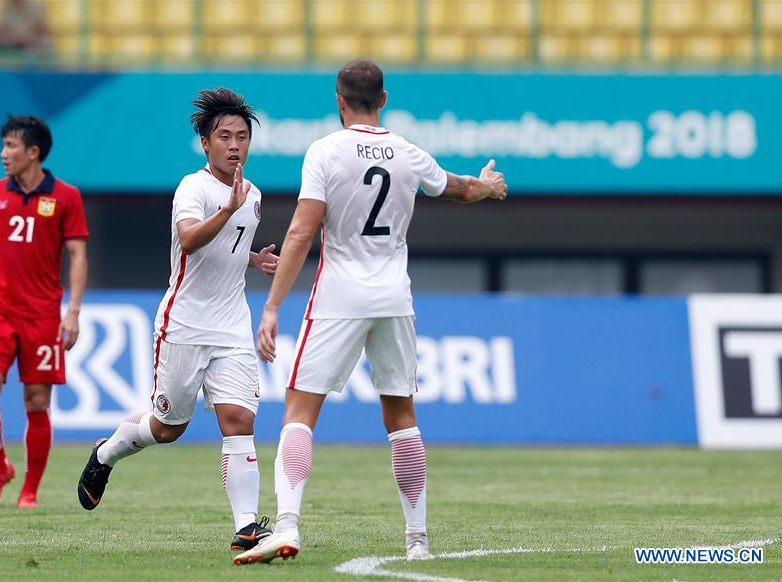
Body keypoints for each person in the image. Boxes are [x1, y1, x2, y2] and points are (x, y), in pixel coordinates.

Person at [234, 59, 508, 565]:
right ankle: (418, 541)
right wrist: (487, 186)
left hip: (340, 294)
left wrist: (271, 307)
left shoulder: (325, 151)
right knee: (402, 417)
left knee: (299, 411)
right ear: (384, 99)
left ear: (339, 101)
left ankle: (287, 526)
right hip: (394, 298)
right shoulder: (408, 152)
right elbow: (460, 187)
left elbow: (300, 232)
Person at [76, 88, 279, 552]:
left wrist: (251, 259)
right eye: (224, 136)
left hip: (232, 324)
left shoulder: (254, 195)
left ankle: (246, 527)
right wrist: (227, 208)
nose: (234, 144)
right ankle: (105, 454)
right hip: (184, 323)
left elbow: (222, 247)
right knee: (168, 429)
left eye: (242, 136)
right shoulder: (194, 188)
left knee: (239, 419)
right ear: (205, 144)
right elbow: (189, 241)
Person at [0, 116, 88, 508]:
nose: (3, 153)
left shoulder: (66, 196)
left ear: (33, 152)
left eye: (10, 146)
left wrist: (73, 311)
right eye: (3, 145)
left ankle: (30, 490)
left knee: (36, 402)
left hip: (43, 315)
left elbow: (78, 255)